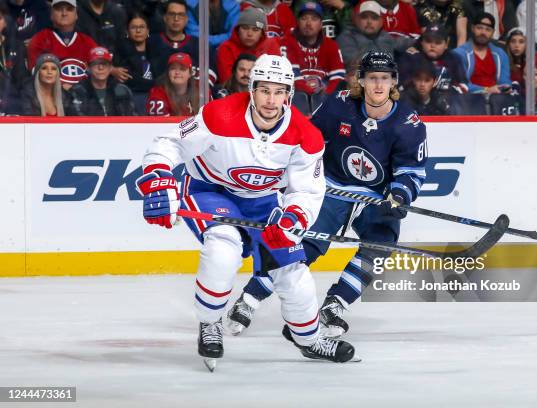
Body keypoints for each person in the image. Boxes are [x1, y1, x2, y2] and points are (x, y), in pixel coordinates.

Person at [135, 54, 357, 367]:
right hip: (209, 190)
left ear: (288, 95)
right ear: (251, 89)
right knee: (223, 246)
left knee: (294, 272)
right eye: (264, 90)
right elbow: (169, 143)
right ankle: (210, 323)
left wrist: (293, 218)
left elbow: (306, 190)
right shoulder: (218, 115)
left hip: (262, 201)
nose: (271, 99)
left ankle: (309, 340)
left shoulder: (305, 136)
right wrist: (159, 181)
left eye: (279, 91)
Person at [227, 51, 428, 338]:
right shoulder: (340, 105)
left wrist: (400, 194)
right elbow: (308, 139)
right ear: (361, 81)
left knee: (380, 247)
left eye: (385, 79)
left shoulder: (409, 124)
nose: (379, 86)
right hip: (332, 187)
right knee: (300, 245)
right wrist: (293, 175)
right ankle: (248, 300)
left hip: (376, 196)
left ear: (394, 82)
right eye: (372, 79)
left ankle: (334, 305)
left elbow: (412, 171)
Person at [281, 1, 346, 114]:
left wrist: (327, 93)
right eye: (304, 18)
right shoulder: (288, 41)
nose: (308, 23)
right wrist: (312, 90)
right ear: (298, 22)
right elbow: (292, 76)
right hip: (297, 94)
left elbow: (338, 77)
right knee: (299, 97)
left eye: (314, 19)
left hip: (324, 94)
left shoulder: (330, 44)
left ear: (321, 24)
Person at [27, 0, 98, 87]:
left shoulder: (88, 42)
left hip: (85, 95)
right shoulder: (40, 40)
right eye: (59, 9)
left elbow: (99, 72)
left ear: (76, 15)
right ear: (51, 15)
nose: (64, 13)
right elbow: (36, 73)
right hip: (52, 93)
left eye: (69, 9)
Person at [336, 1, 414, 69]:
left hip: (386, 80)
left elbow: (405, 42)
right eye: (364, 17)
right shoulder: (346, 37)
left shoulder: (385, 36)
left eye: (374, 18)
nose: (369, 22)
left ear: (381, 22)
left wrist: (420, 43)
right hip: (359, 80)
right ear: (357, 20)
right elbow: (353, 62)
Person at [397, 23, 468, 94]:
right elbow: (401, 86)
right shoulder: (410, 57)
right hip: (415, 100)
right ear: (422, 42)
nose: (432, 45)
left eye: (438, 42)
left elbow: (463, 86)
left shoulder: (453, 58)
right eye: (428, 41)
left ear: (446, 45)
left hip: (446, 101)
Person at [216, 7, 281, 84]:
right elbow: (227, 81)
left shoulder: (271, 45)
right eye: (245, 28)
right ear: (238, 30)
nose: (249, 34)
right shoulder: (226, 48)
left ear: (262, 33)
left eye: (255, 29)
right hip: (234, 93)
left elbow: (276, 78)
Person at [453, 12, 511, 94]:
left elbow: (505, 81)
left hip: (496, 100)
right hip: (469, 100)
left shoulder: (500, 54)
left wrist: (505, 88)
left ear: (493, 32)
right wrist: (487, 90)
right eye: (479, 28)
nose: (483, 32)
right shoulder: (459, 54)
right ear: (472, 28)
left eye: (488, 29)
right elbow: (462, 84)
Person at [70, 46, 136, 115]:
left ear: (110, 67)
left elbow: (132, 118)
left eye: (104, 64)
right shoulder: (78, 91)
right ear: (88, 67)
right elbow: (76, 120)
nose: (100, 68)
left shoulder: (122, 90)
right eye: (96, 63)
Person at [113, 12, 155, 113]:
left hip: (155, 97)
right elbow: (131, 81)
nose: (138, 31)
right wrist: (154, 84)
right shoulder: (121, 52)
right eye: (133, 27)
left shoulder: (156, 51)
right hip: (133, 98)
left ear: (148, 30)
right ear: (127, 31)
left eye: (142, 27)